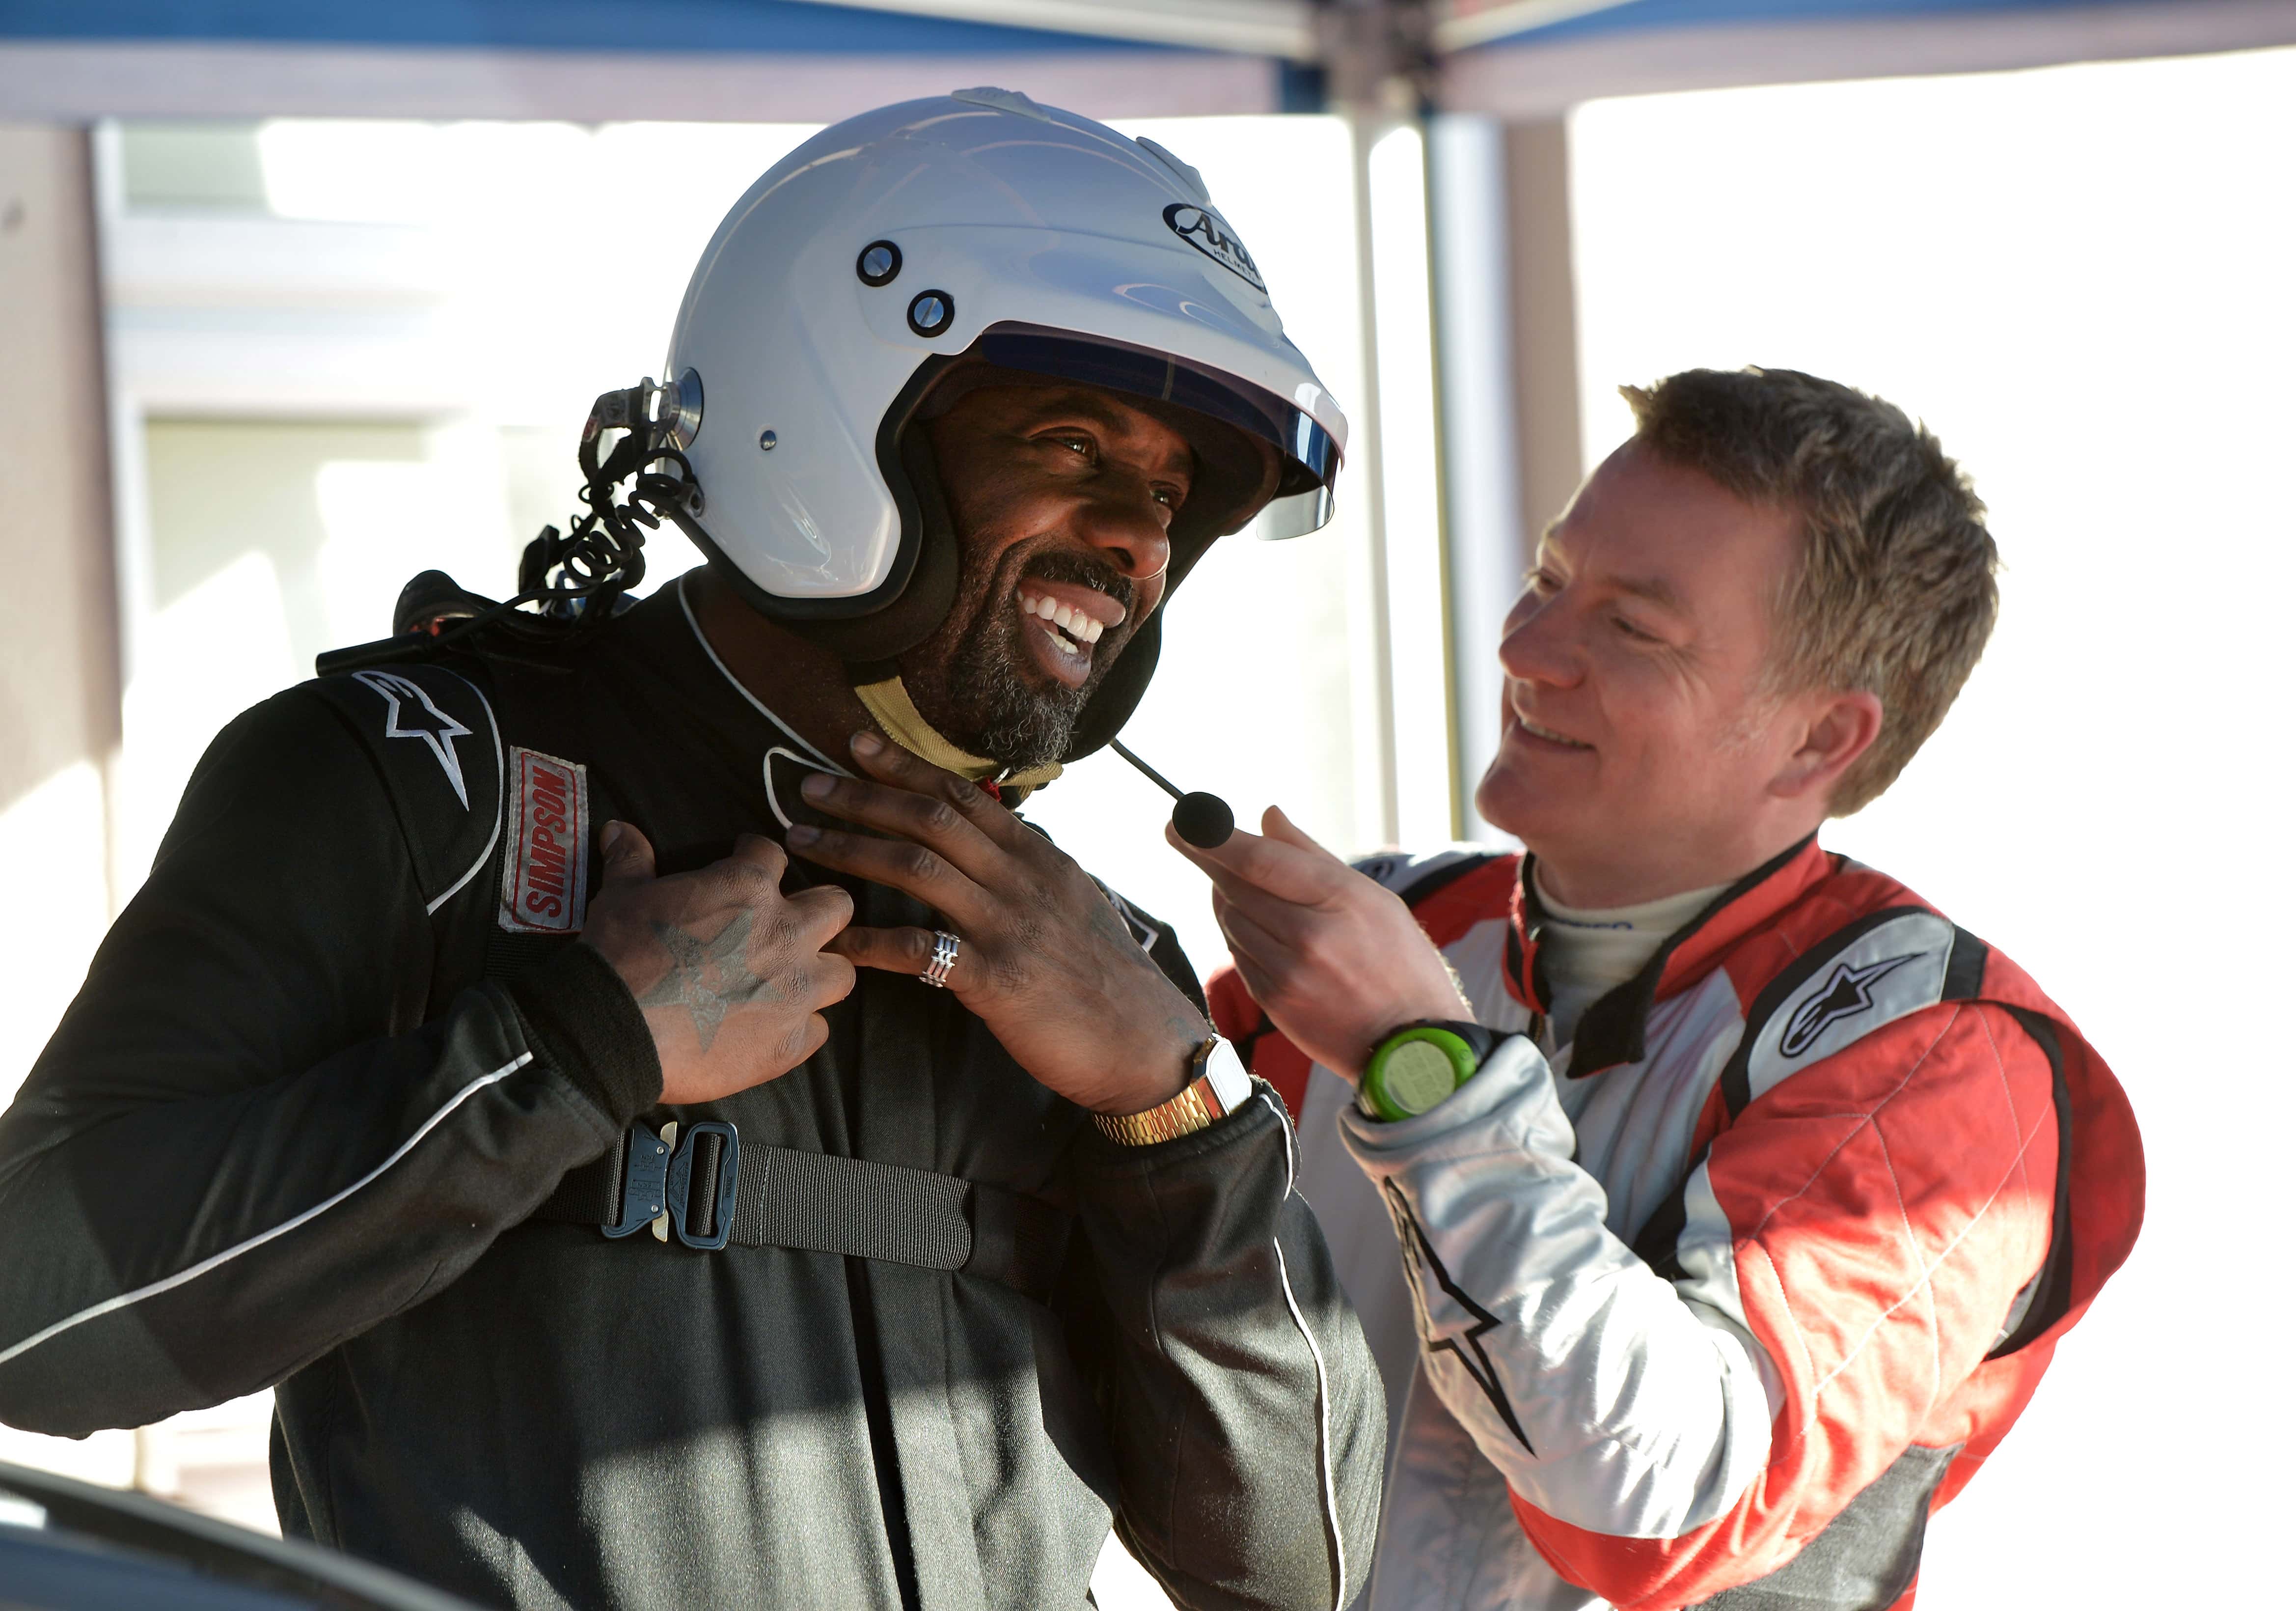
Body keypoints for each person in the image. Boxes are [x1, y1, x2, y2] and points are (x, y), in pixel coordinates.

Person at [0, 92, 1385, 1611]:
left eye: (1173, 496)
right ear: (842, 422)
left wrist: (1169, 1107)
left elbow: (1294, 1571)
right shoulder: (421, 782)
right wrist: (572, 1049)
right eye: (1073, 445)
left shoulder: (1091, 963)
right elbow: (38, 1320)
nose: (1137, 540)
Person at [1181, 368, 2143, 1611]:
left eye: (1631, 629)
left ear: (1818, 740)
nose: (1524, 650)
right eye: (1544, 580)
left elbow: (1651, 1511)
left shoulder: (1945, 1061)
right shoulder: (1386, 928)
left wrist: (1418, 1062)